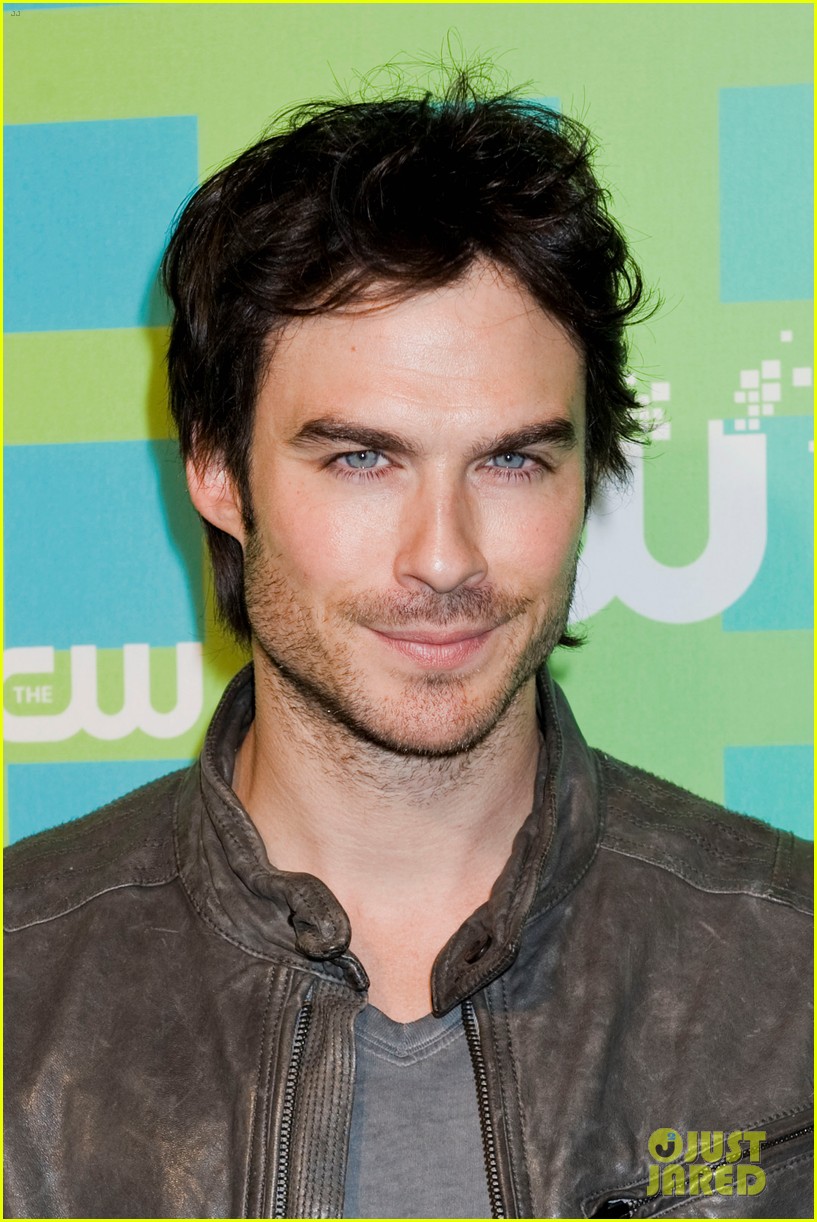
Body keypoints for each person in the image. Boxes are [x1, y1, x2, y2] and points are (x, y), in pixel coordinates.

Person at [4, 74, 812, 1220]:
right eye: (361, 459)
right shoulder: (20, 1000)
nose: (444, 557)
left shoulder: (790, 978)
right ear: (218, 472)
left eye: (511, 460)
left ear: (589, 475)